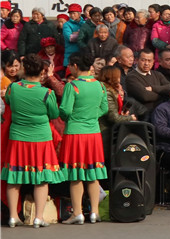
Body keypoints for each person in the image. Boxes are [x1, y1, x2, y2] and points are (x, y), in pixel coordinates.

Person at [3, 55, 67, 228]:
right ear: (42, 72)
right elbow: (54, 114)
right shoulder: (46, 93)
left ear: (24, 69)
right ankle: (38, 217)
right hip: (41, 138)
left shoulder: (13, 88)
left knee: (14, 176)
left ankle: (13, 216)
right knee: (41, 178)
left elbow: (8, 102)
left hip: (18, 137)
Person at [57, 54, 109, 224]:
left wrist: (73, 118)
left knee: (76, 174)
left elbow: (65, 110)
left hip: (74, 133)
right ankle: (94, 212)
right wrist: (91, 116)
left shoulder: (72, 86)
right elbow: (104, 108)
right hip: (93, 133)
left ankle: (77, 213)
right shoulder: (100, 85)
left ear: (75, 66)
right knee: (93, 173)